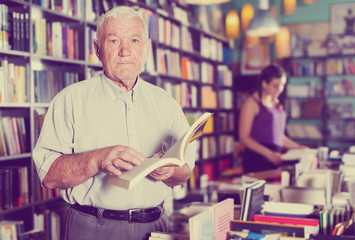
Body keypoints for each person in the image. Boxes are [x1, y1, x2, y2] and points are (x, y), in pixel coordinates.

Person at [32, 6, 196, 240]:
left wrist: (171, 170)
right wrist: (97, 159)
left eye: (134, 40)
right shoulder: (69, 100)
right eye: (114, 40)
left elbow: (185, 171)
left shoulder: (166, 103)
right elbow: (49, 176)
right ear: (98, 49)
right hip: (92, 228)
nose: (125, 51)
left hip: (157, 227)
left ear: (146, 48)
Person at [239, 64, 306, 173]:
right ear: (264, 84)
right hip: (256, 161)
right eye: (275, 86)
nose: (279, 89)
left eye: (282, 85)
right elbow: (244, 137)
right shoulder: (251, 103)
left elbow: (278, 136)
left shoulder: (275, 103)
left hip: (274, 160)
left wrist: (298, 147)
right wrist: (269, 154)